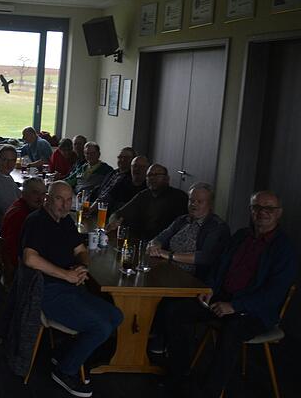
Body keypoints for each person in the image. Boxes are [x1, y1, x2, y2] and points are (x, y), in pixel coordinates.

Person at [162, 191, 297, 398]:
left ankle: (209, 392)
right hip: (222, 298)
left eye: (269, 208)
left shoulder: (284, 248)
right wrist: (210, 289)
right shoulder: (241, 235)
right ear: (251, 210)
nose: (262, 213)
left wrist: (236, 306)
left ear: (279, 213)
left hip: (254, 311)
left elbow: (274, 294)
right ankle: (179, 375)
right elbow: (219, 268)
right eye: (256, 207)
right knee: (174, 311)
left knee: (232, 330)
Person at [18, 181, 122, 397]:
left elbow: (81, 249)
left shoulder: (64, 221)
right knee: (101, 327)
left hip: (69, 288)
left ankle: (65, 353)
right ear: (48, 198)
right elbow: (30, 258)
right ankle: (65, 370)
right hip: (46, 292)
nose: (65, 205)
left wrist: (82, 266)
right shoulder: (37, 221)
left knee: (116, 315)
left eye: (68, 200)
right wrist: (67, 274)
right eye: (59, 199)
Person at [148, 183, 230, 280]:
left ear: (210, 204)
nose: (194, 204)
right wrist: (154, 245)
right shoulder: (182, 220)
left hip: (192, 278)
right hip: (166, 268)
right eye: (191, 200)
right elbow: (162, 237)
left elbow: (204, 257)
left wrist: (169, 255)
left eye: (199, 201)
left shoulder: (217, 226)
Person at [106, 163, 188, 241]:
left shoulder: (179, 197)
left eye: (156, 175)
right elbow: (118, 213)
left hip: (163, 245)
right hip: (140, 240)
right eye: (149, 175)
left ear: (167, 178)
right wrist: (113, 221)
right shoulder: (144, 194)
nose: (152, 178)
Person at [1, 177, 47, 270]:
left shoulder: (25, 207)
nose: (40, 198)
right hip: (21, 265)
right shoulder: (20, 215)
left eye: (43, 194)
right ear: (24, 194)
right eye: (35, 193)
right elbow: (15, 251)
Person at [88, 147, 136, 214]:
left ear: (132, 160)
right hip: (95, 204)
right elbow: (101, 188)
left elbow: (111, 195)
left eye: (126, 158)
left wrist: (93, 207)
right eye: (120, 157)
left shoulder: (130, 178)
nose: (122, 160)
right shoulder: (113, 173)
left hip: (107, 210)